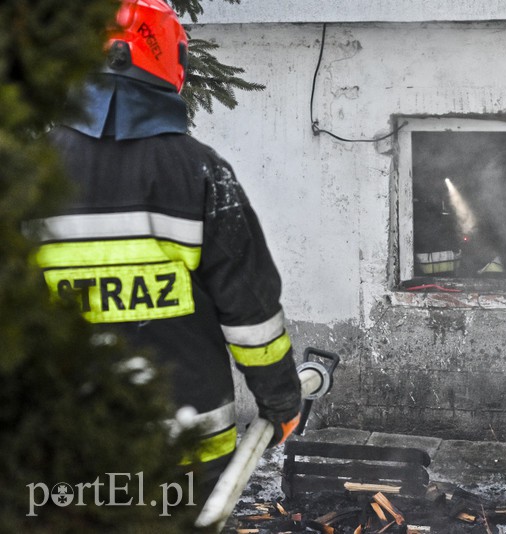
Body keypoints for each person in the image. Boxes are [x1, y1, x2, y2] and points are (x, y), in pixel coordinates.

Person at [27, 0, 301, 505]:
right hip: (185, 452)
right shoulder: (200, 173)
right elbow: (251, 312)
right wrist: (281, 400)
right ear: (169, 60)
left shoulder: (28, 174)